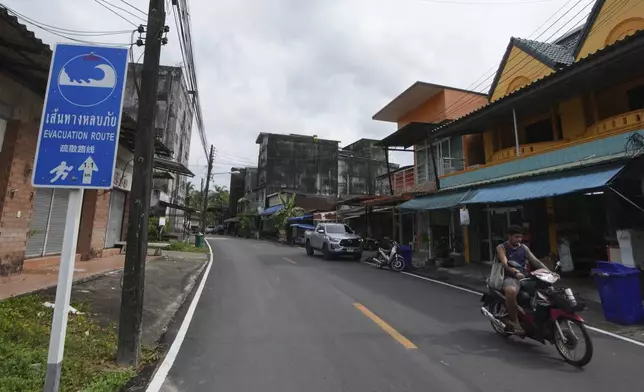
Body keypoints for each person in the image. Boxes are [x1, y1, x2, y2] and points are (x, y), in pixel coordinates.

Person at [496, 225, 547, 334]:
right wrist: (515, 272)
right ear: (509, 236)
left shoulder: (523, 248)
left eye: (520, 237)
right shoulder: (502, 247)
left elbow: (535, 261)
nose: (519, 239)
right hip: (510, 277)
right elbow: (505, 263)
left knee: (545, 290)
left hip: (525, 277)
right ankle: (515, 322)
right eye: (516, 237)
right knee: (511, 291)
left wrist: (549, 272)